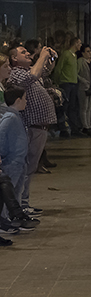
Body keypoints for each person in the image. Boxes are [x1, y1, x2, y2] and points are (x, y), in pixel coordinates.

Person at [8, 42, 56, 216]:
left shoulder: (27, 71)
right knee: (26, 168)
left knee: (30, 168)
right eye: (23, 52)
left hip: (39, 126)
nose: (28, 53)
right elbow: (35, 74)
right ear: (14, 58)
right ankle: (20, 204)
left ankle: (24, 202)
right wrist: (41, 56)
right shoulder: (16, 73)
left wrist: (49, 58)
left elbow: (44, 71)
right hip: (31, 126)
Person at [0, 85, 39, 234]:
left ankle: (13, 218)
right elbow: (1, 136)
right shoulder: (9, 118)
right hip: (12, 162)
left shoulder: (14, 116)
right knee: (7, 194)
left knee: (15, 192)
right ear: (18, 100)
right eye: (24, 99)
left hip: (18, 161)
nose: (26, 101)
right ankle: (3, 220)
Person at [54, 35, 82, 136]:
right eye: (79, 43)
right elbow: (59, 68)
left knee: (73, 106)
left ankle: (74, 128)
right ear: (75, 44)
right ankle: (62, 128)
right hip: (65, 83)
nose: (80, 45)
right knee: (64, 106)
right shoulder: (66, 54)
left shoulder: (74, 56)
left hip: (73, 83)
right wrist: (56, 82)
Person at [76, 44, 91, 135]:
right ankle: (85, 126)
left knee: (89, 107)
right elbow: (76, 73)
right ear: (83, 53)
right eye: (87, 51)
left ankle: (89, 125)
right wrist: (84, 81)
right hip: (83, 87)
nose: (89, 53)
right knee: (83, 107)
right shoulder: (80, 61)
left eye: (90, 51)